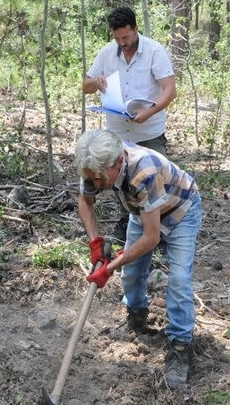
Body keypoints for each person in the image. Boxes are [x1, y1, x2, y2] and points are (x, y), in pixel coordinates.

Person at [74, 129, 202, 389]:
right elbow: (85, 202)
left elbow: (151, 237)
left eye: (99, 179)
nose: (96, 185)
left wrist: (110, 266)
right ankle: (136, 318)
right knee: (132, 272)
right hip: (142, 209)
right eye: (92, 179)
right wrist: (95, 242)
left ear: (116, 163)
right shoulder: (92, 166)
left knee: (177, 280)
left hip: (181, 211)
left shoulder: (144, 172)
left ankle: (179, 347)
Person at [83, 6, 176, 243]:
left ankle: (161, 233)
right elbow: (85, 86)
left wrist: (150, 111)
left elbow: (169, 90)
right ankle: (127, 223)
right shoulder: (107, 53)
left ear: (135, 29)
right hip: (118, 132)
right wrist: (96, 81)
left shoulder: (155, 51)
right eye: (117, 38)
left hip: (149, 130)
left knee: (157, 181)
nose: (122, 43)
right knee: (120, 181)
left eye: (125, 37)